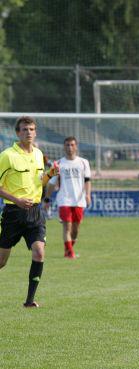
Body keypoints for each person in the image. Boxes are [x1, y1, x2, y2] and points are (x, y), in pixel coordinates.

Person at [0, 116, 59, 307]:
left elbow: (39, 182)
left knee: (39, 252)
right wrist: (16, 199)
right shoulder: (7, 155)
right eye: (25, 129)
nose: (29, 132)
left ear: (36, 132)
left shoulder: (39, 154)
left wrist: (50, 175)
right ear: (18, 133)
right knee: (1, 261)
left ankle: (29, 300)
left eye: (32, 129)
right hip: (13, 214)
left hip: (35, 212)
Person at [48, 137, 92, 259]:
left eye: (72, 145)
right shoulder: (58, 164)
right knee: (67, 227)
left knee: (75, 230)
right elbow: (52, 183)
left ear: (76, 146)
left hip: (79, 200)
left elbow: (87, 180)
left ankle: (68, 250)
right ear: (64, 147)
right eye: (67, 145)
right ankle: (70, 254)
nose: (70, 147)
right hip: (64, 199)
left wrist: (88, 194)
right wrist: (47, 199)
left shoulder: (84, 162)